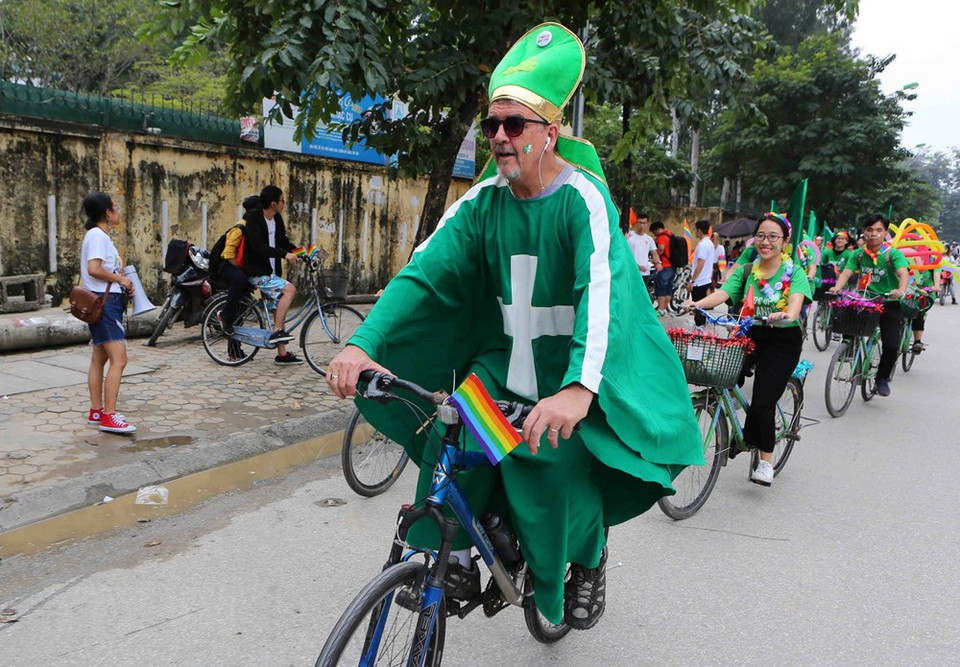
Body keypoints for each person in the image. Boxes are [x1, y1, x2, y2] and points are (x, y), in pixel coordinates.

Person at [324, 23, 701, 631]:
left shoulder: (583, 200)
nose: (498, 137)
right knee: (456, 440)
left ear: (550, 133)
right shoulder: (480, 204)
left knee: (554, 467)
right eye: (491, 125)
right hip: (505, 363)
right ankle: (447, 551)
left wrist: (578, 391)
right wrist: (362, 344)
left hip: (570, 371)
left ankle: (587, 559)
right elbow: (422, 275)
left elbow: (602, 296)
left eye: (514, 125)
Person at [684, 212, 811, 486]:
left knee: (763, 401)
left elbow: (795, 305)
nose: (766, 242)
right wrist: (698, 304)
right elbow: (724, 292)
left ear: (785, 241)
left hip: (782, 340)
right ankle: (731, 423)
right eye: (761, 236)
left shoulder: (794, 272)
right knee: (722, 374)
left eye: (773, 236)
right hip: (750, 332)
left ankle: (765, 461)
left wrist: (786, 314)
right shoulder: (746, 270)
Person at [830, 213, 910, 397]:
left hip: (889, 302)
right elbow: (846, 272)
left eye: (879, 230)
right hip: (866, 300)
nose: (874, 234)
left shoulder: (892, 254)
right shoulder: (858, 254)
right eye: (870, 230)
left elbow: (903, 273)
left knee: (891, 345)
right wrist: (837, 287)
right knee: (847, 318)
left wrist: (900, 290)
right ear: (864, 233)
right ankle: (848, 347)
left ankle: (881, 378)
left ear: (885, 233)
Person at [80, 192, 137, 434]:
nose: (118, 211)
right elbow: (94, 269)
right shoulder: (97, 236)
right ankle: (109, 416)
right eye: (116, 207)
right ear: (107, 213)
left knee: (99, 358)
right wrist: (120, 279)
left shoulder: (99, 236)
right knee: (119, 360)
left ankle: (96, 411)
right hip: (106, 304)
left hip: (103, 302)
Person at [242, 185, 303, 365]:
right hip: (256, 271)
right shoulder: (254, 218)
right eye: (282, 201)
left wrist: (301, 252)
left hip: (271, 271)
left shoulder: (276, 218)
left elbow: (283, 241)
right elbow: (257, 246)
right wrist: (285, 255)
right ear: (273, 203)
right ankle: (277, 330)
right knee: (290, 290)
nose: (284, 204)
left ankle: (282, 355)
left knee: (278, 310)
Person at [216, 194, 260, 338]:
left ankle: (235, 350)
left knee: (241, 306)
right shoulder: (240, 228)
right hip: (225, 266)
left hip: (238, 266)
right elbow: (228, 255)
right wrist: (243, 269)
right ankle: (224, 314)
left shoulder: (254, 227)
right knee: (240, 280)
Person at [687, 220, 714, 326]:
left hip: (700, 281)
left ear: (699, 230)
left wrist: (692, 280)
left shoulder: (703, 245)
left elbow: (700, 263)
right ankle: (701, 326)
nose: (695, 232)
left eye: (695, 230)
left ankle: (699, 328)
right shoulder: (710, 243)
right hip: (706, 279)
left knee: (697, 306)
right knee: (702, 307)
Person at [625, 211, 661, 283]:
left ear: (647, 224)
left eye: (644, 223)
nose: (641, 225)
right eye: (640, 222)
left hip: (645, 272)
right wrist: (636, 266)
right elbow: (625, 254)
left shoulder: (649, 239)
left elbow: (654, 253)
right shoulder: (629, 236)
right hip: (631, 271)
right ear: (636, 223)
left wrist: (658, 263)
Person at [651, 221, 676, 316]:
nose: (654, 234)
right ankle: (664, 308)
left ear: (657, 229)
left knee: (661, 288)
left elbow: (661, 248)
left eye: (654, 232)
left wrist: (655, 256)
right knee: (668, 289)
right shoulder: (670, 235)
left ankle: (660, 309)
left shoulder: (662, 237)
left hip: (664, 266)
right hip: (672, 266)